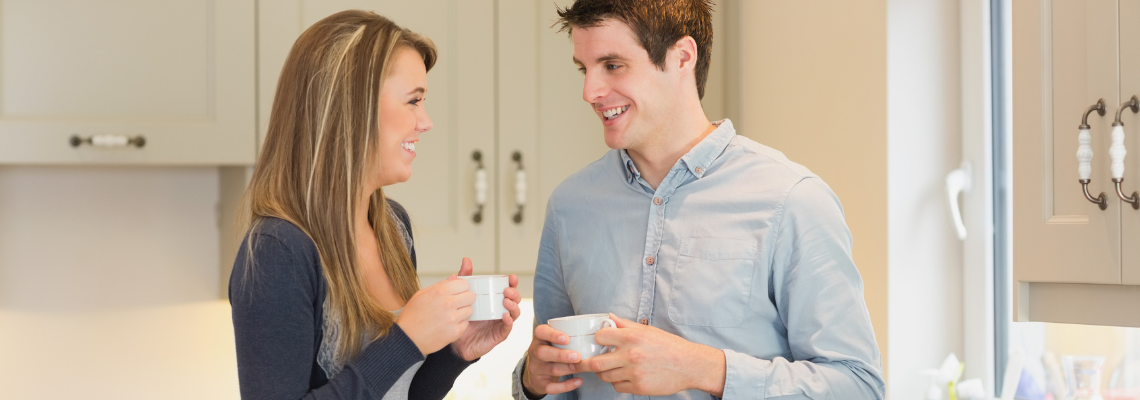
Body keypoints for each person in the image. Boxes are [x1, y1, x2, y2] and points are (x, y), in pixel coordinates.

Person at [512, 1, 884, 399]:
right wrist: (531, 381)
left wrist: (703, 368)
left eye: (613, 65)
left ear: (682, 57)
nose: (590, 92)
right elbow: (556, 377)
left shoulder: (792, 201)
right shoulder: (570, 207)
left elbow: (858, 386)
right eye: (584, 69)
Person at [229, 10, 522, 400]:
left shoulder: (391, 226)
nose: (426, 122)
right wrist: (407, 340)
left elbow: (400, 394)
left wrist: (454, 352)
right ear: (352, 108)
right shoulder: (278, 251)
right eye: (413, 101)